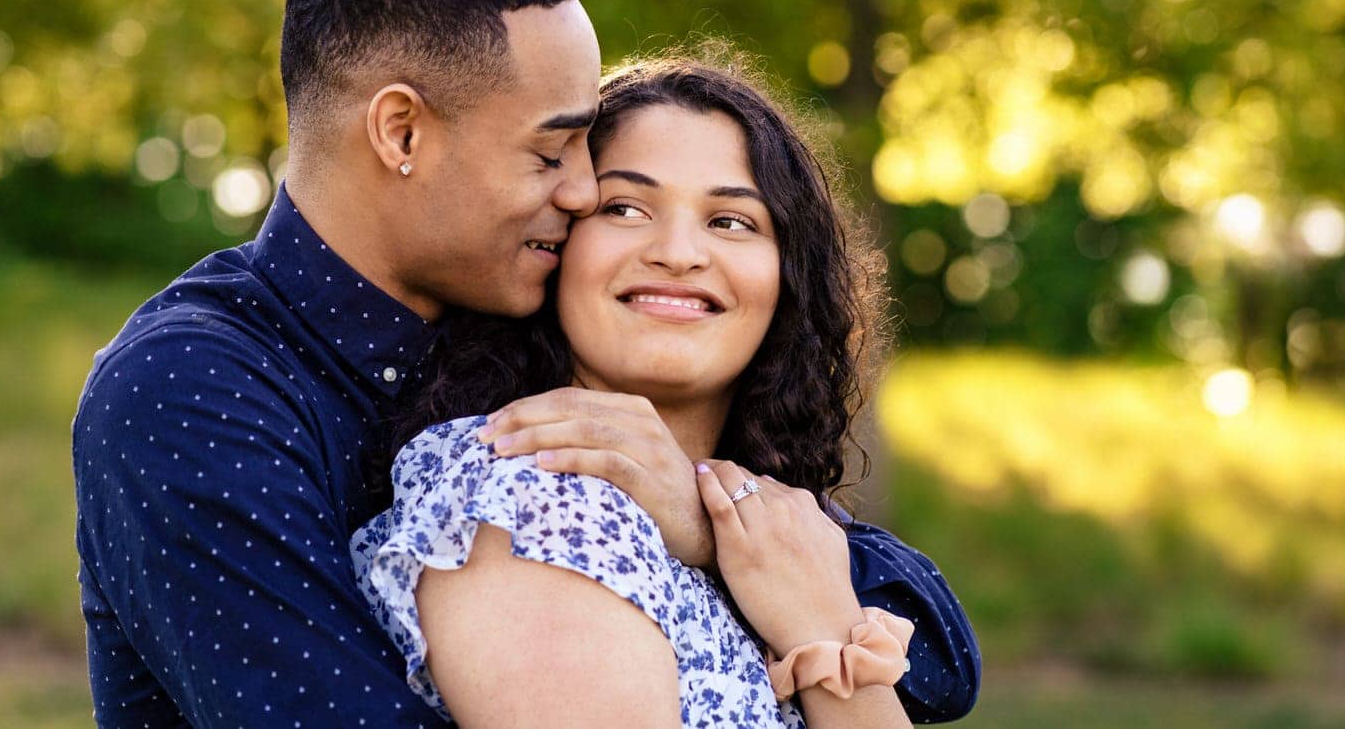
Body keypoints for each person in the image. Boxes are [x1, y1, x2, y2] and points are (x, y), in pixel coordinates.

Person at [73, 0, 979, 726]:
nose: (582, 193)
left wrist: (711, 530)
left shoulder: (502, 338)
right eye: (551, 153)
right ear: (402, 133)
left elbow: (941, 660)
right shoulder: (192, 392)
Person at [353, 54, 978, 727]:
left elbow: (952, 667)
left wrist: (816, 618)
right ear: (553, 242)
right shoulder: (530, 500)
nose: (678, 252)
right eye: (624, 207)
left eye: (731, 220)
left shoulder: (784, 538)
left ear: (788, 277)